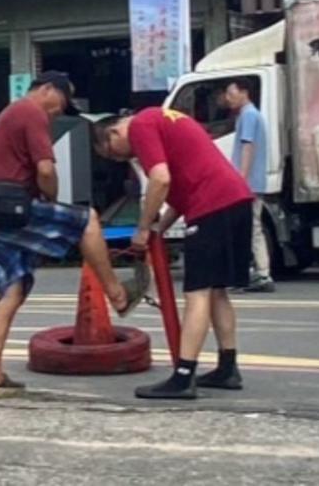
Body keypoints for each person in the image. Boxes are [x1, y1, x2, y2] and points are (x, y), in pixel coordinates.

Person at [0, 71, 131, 399]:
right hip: (14, 210)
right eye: (61, 102)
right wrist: (51, 200)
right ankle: (116, 293)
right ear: (47, 90)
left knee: (13, 291)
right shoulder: (31, 112)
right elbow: (46, 170)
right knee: (88, 220)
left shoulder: (4, 117)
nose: (58, 111)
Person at [94, 108, 254, 399]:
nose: (120, 159)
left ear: (114, 132)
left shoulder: (141, 124)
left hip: (213, 206)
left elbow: (161, 179)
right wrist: (158, 229)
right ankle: (228, 367)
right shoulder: (165, 120)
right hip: (235, 200)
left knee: (198, 293)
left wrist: (142, 227)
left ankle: (183, 376)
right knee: (217, 291)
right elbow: (179, 197)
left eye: (113, 153)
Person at [225, 79, 275, 293]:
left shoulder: (248, 115)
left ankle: (262, 274)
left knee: (251, 229)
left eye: (230, 93)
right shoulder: (250, 115)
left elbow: (247, 147)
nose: (228, 98)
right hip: (253, 182)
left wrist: (241, 179)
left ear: (244, 92)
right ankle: (259, 273)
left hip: (249, 183)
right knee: (252, 228)